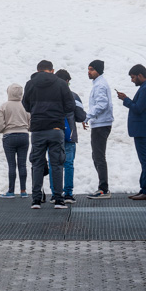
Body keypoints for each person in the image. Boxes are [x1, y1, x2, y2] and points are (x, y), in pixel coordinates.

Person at [22, 59, 76, 210]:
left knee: (37, 164)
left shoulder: (30, 84)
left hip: (38, 129)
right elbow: (70, 105)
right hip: (56, 129)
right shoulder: (60, 84)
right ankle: (59, 199)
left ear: (38, 70)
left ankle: (36, 200)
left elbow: (26, 105)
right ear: (52, 70)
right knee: (57, 164)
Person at [117, 64, 146, 200]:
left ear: (140, 75)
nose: (132, 80)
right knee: (144, 160)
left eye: (133, 77)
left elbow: (138, 108)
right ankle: (144, 189)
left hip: (142, 130)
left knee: (145, 160)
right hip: (142, 129)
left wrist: (125, 99)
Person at [54, 69, 88, 203]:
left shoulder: (50, 95)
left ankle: (55, 194)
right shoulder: (73, 96)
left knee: (54, 164)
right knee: (68, 164)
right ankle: (68, 194)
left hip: (54, 134)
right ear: (67, 81)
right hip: (69, 134)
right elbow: (81, 116)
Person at [85, 59, 114, 198]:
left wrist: (87, 116)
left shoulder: (100, 85)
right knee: (96, 156)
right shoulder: (98, 84)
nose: (89, 72)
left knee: (99, 156)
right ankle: (103, 187)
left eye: (91, 69)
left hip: (101, 124)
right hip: (99, 124)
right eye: (88, 69)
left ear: (98, 70)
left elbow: (102, 104)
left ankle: (103, 189)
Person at [0, 83, 31, 197]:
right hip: (24, 136)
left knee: (12, 164)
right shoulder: (26, 105)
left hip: (9, 137)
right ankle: (23, 191)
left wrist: (3, 130)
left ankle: (11, 191)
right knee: (22, 164)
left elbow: (0, 125)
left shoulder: (4, 106)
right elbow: (30, 123)